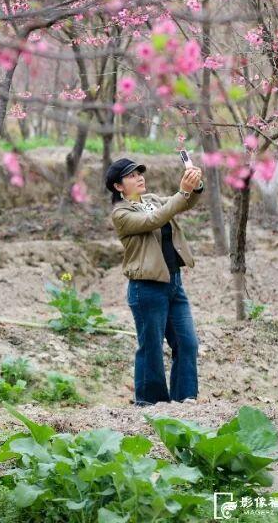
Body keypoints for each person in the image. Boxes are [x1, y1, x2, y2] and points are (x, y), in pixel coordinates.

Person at [105, 157, 204, 406]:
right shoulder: (121, 213)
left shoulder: (151, 201)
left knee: (187, 342)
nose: (139, 177)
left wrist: (195, 185)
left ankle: (185, 399)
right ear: (118, 186)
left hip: (173, 283)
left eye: (140, 172)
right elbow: (154, 220)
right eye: (131, 175)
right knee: (151, 347)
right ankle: (151, 403)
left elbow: (180, 204)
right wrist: (183, 191)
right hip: (146, 287)